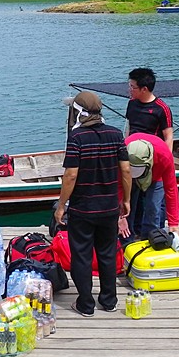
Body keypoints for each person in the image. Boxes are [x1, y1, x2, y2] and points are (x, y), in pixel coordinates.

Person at [54, 91, 131, 318]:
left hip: (83, 208)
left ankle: (86, 304)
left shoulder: (77, 138)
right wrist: (125, 200)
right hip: (109, 207)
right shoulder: (116, 135)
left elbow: (70, 175)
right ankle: (109, 301)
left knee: (82, 255)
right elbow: (126, 169)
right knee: (107, 253)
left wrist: (61, 205)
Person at [125, 67, 173, 236]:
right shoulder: (131, 104)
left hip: (154, 161)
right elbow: (129, 129)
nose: (129, 90)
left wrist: (167, 164)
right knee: (130, 200)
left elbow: (168, 136)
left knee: (154, 204)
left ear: (144, 89)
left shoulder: (161, 108)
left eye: (132, 87)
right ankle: (129, 234)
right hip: (132, 159)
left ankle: (152, 235)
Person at [119, 133, 179, 242]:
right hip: (128, 177)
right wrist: (120, 216)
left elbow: (171, 189)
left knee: (153, 207)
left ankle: (150, 239)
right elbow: (118, 188)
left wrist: (173, 223)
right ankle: (126, 242)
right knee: (127, 208)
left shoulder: (164, 156)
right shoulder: (121, 154)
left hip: (156, 176)